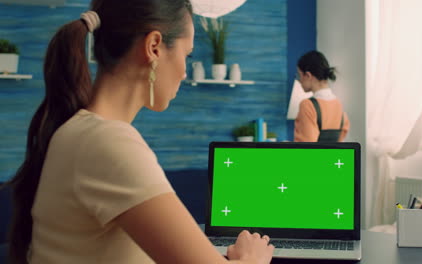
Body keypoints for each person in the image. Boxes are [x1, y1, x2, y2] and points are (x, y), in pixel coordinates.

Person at [5, 1, 274, 263]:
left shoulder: (79, 131)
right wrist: (252, 258)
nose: (183, 72)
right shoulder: (107, 142)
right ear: (154, 46)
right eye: (187, 55)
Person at [294, 50, 350, 142]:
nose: (299, 81)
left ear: (308, 75)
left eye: (299, 76)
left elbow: (306, 149)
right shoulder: (338, 105)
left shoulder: (307, 105)